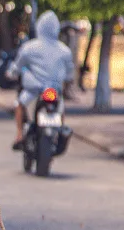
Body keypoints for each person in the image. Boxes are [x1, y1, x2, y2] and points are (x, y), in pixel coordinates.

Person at [8, 10, 75, 150]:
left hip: (35, 90)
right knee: (60, 108)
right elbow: (70, 74)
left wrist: (11, 73)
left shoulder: (29, 48)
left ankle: (20, 135)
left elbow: (17, 66)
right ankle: (58, 133)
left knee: (19, 105)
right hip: (54, 91)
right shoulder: (65, 51)